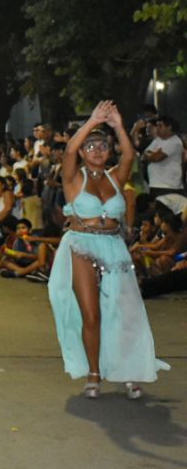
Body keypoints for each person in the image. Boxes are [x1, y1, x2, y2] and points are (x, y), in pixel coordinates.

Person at [47, 100, 168, 400]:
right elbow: (70, 150)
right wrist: (92, 121)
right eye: (91, 146)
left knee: (124, 312)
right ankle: (94, 373)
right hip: (80, 244)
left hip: (113, 246)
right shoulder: (74, 178)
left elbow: (129, 153)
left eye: (102, 146)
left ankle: (127, 370)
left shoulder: (116, 177)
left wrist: (117, 125)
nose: (97, 150)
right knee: (92, 315)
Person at [142, 116, 183, 200]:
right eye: (156, 126)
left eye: (160, 126)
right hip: (155, 185)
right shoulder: (157, 140)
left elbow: (157, 157)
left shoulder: (175, 142)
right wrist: (152, 155)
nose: (157, 128)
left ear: (169, 127)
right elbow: (144, 155)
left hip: (169, 187)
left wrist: (153, 154)